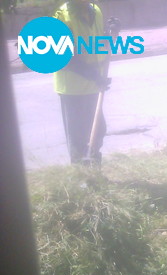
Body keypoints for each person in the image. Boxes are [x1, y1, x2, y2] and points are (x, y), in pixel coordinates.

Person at [53, 1, 110, 165]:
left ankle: (93, 170)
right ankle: (80, 177)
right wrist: (93, 75)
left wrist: (111, 33)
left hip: (94, 85)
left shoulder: (96, 11)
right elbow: (64, 58)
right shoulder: (62, 16)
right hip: (72, 89)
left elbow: (98, 43)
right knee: (78, 138)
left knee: (98, 132)